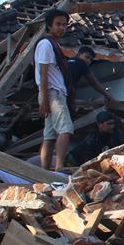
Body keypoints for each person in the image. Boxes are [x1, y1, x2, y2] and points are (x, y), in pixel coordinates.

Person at [35, 9, 75, 171]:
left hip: (52, 93)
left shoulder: (53, 44)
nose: (62, 28)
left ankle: (43, 172)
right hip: (52, 93)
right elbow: (43, 74)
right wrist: (44, 100)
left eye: (64, 25)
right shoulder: (46, 44)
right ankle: (58, 169)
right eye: (58, 24)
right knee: (66, 129)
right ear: (49, 25)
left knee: (49, 136)